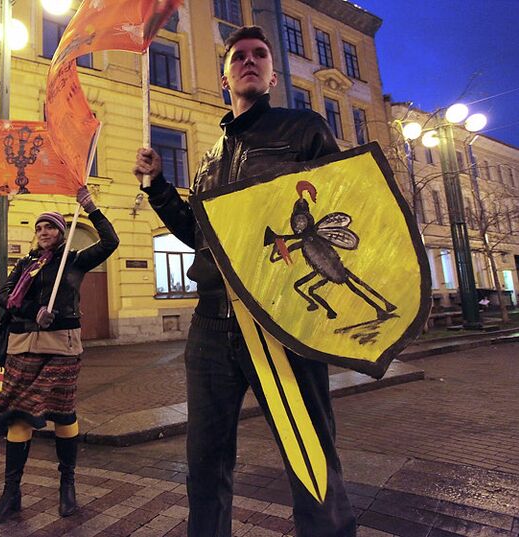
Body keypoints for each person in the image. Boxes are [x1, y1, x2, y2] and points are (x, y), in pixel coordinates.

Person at [133, 26, 356, 537]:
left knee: (311, 459)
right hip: (211, 326)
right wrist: (159, 186)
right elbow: (199, 236)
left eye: (260, 55)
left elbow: (345, 206)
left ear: (273, 74)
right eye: (239, 56)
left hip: (279, 323)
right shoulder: (212, 157)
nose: (249, 61)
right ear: (224, 75)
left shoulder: (304, 130)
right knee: (205, 465)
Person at [0, 186, 119, 526]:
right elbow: (2, 296)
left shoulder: (74, 259)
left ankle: (67, 485)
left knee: (62, 413)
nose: (43, 232)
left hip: (61, 345)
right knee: (17, 415)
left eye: (50, 227)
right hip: (22, 343)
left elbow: (110, 242)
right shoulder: (25, 264)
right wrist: (34, 308)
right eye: (39, 228)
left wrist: (91, 208)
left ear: (61, 232)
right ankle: (11, 493)